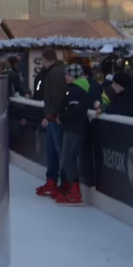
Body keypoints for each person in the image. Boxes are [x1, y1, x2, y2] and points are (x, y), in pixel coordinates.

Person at [55, 64, 92, 206]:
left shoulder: (76, 91)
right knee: (68, 158)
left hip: (74, 129)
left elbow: (74, 109)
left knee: (67, 159)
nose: (65, 77)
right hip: (74, 128)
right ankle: (73, 189)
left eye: (68, 75)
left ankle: (75, 191)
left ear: (74, 76)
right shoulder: (75, 90)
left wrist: (61, 117)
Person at [36, 47, 67, 199]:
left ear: (47, 59)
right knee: (52, 150)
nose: (40, 62)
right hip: (53, 118)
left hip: (55, 118)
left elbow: (57, 98)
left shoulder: (55, 74)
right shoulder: (56, 71)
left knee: (58, 150)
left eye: (41, 59)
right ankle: (52, 180)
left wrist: (50, 115)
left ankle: (62, 182)